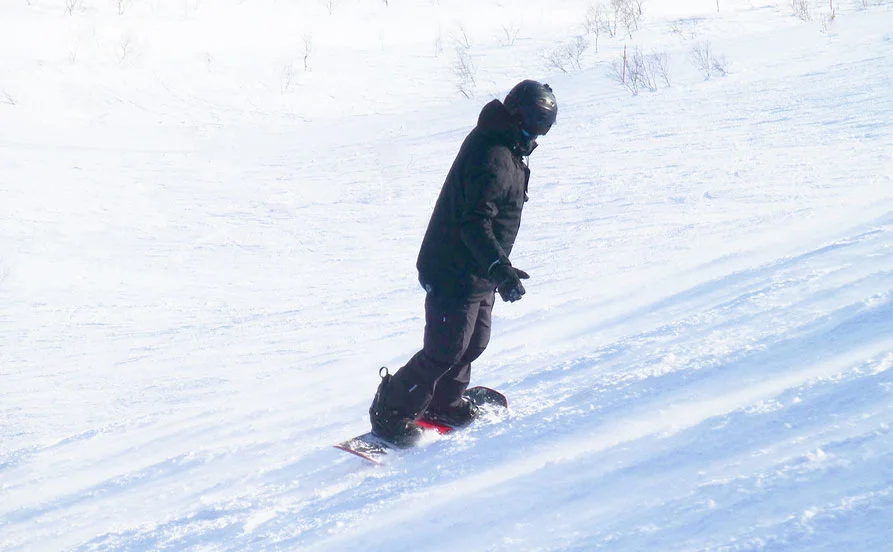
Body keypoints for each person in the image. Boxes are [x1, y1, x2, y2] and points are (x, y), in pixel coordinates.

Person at [369, 80, 558, 447]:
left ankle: (444, 403)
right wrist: (499, 269)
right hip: (452, 268)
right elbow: (474, 222)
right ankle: (390, 411)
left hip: (478, 269)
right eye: (532, 126)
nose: (535, 137)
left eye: (542, 129)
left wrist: (496, 267)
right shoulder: (494, 156)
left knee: (474, 342)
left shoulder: (505, 146)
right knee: (445, 348)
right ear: (516, 116)